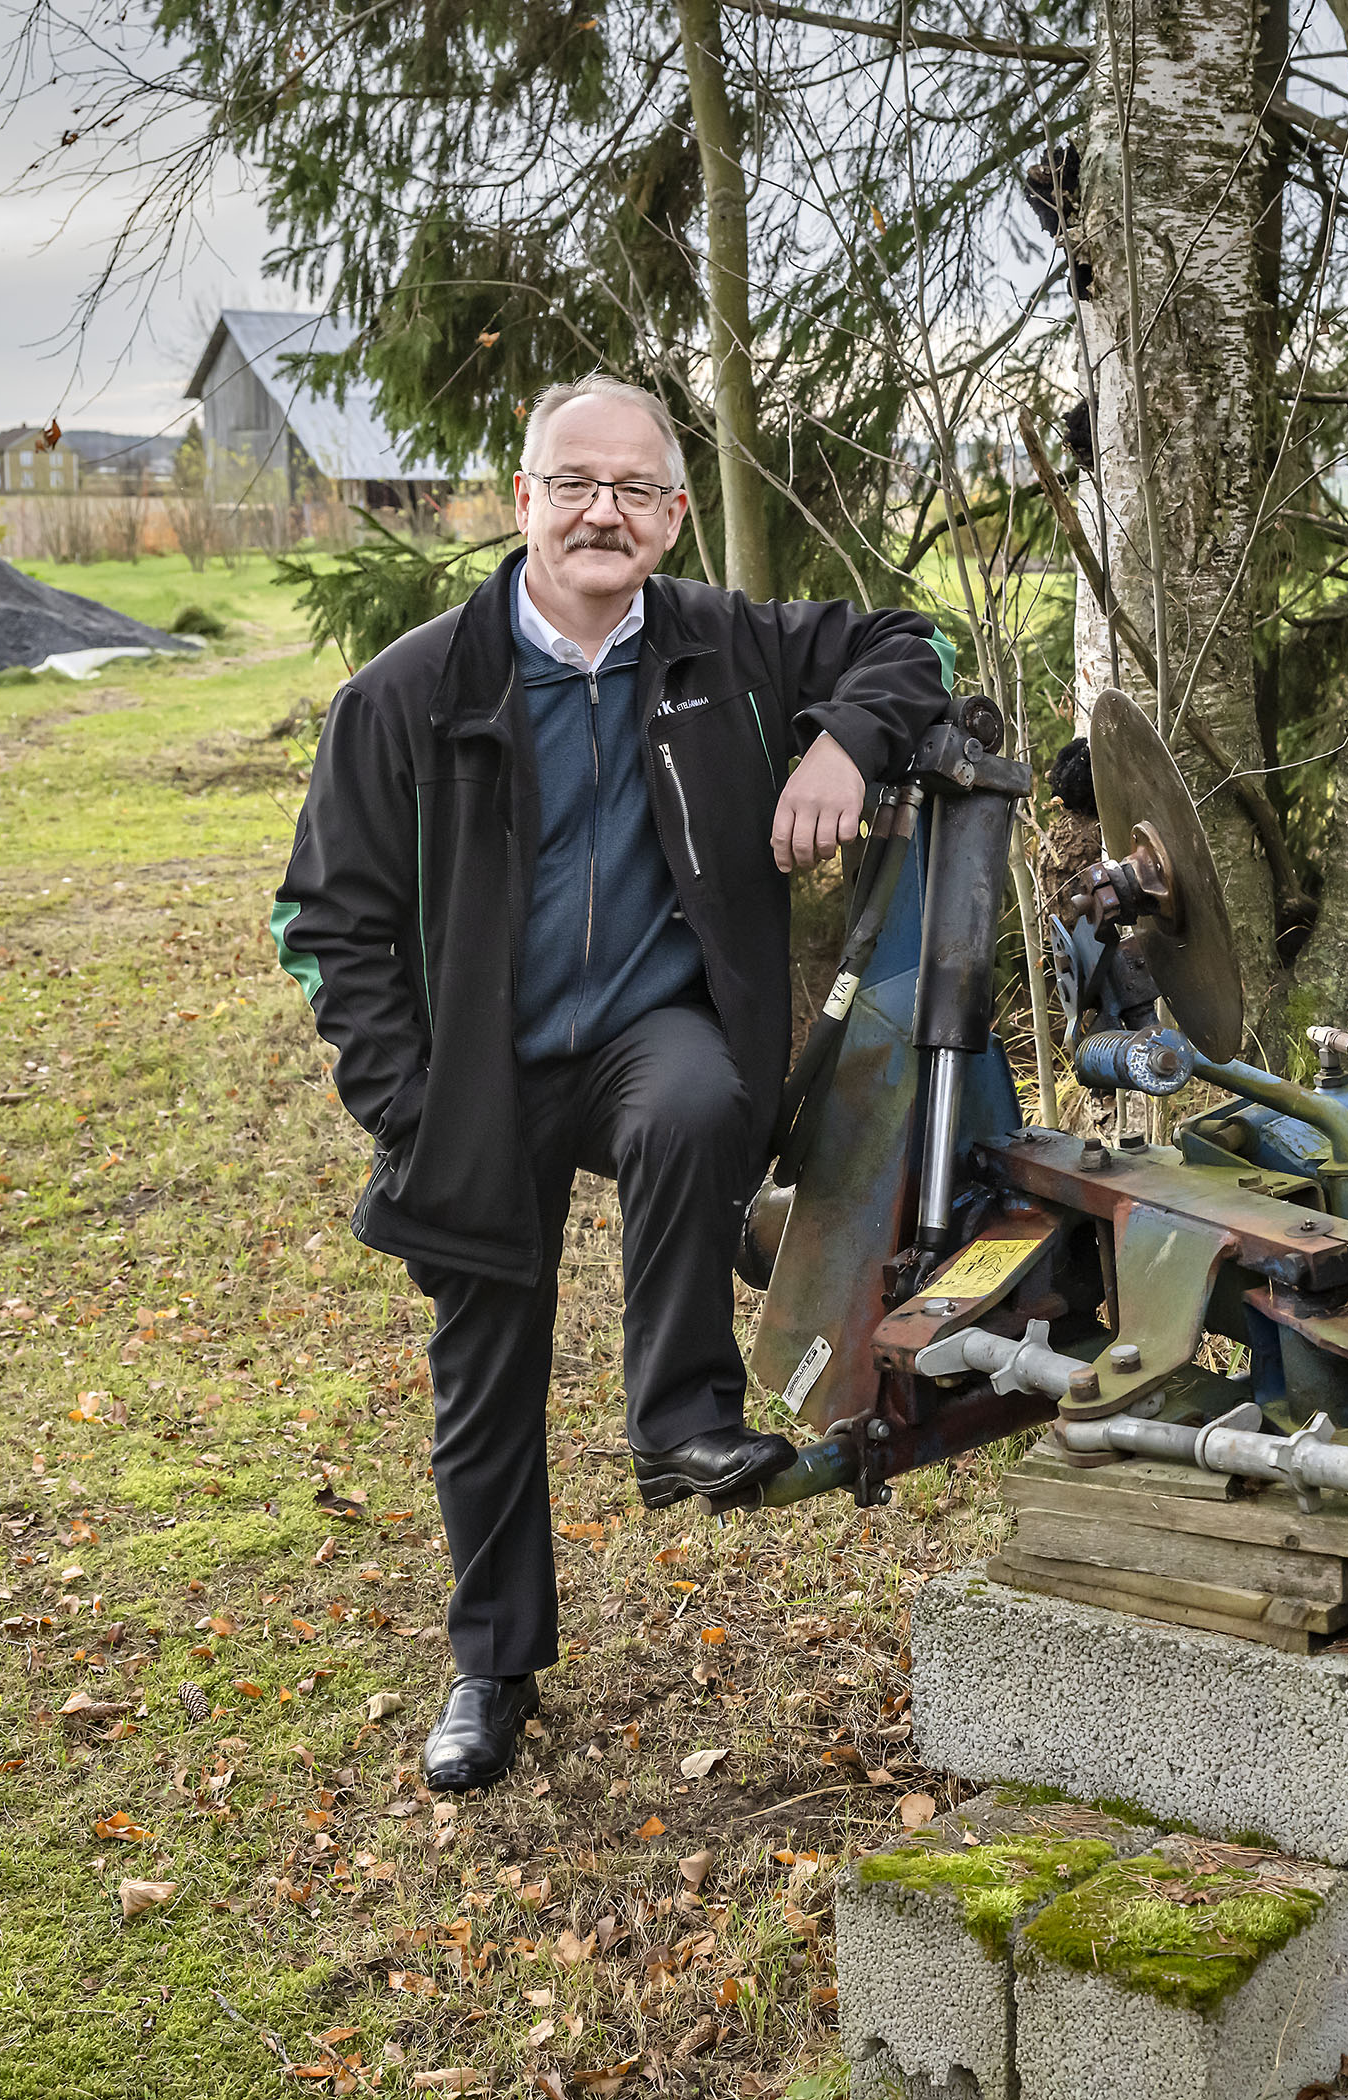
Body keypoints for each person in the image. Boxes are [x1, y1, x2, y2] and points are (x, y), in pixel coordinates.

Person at [270, 374, 952, 1794]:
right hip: (474, 1079)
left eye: (636, 489)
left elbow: (909, 640)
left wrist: (841, 741)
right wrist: (406, 1105)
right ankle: (493, 1664)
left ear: (674, 514)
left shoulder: (725, 650)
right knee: (484, 1370)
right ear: (520, 502)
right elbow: (319, 923)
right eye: (573, 483)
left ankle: (682, 1422)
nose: (602, 512)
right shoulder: (407, 693)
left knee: (700, 1097)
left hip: (649, 1037)